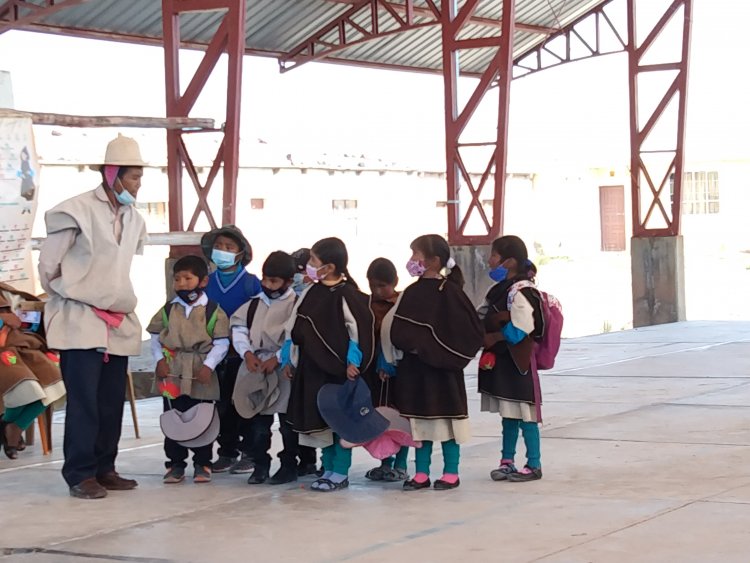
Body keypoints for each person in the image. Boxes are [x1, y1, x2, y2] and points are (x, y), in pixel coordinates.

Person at [38, 133, 147, 499]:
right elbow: (49, 267)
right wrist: (74, 291)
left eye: (140, 177)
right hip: (79, 317)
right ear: (112, 173)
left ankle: (105, 467)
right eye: (133, 176)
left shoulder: (134, 219)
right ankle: (80, 473)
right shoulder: (75, 210)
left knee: (110, 399)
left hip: (116, 320)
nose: (138, 183)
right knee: (84, 401)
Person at [381, 234, 482, 491]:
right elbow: (398, 328)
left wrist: (433, 349)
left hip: (444, 372)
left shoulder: (450, 292)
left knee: (448, 426)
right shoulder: (412, 291)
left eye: (416, 254)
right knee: (420, 426)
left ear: (434, 260)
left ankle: (451, 472)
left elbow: (467, 332)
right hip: (415, 371)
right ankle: (421, 473)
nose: (412, 260)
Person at [282, 237, 374, 492]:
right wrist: (288, 357)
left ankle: (340, 471)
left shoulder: (347, 295)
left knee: (338, 424)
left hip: (337, 373)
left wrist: (353, 361)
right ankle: (328, 468)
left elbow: (357, 332)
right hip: (311, 369)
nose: (309, 266)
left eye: (313, 260)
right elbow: (293, 327)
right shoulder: (311, 292)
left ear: (330, 267)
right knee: (320, 422)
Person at [147, 255, 230, 484]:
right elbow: (155, 338)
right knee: (173, 415)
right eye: (177, 279)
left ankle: (203, 463)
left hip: (200, 371)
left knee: (201, 417)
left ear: (202, 281)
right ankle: (175, 464)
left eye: (187, 278)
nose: (181, 283)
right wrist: (159, 361)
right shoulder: (168, 310)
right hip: (172, 370)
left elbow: (222, 342)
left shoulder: (213, 311)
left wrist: (208, 366)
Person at [232, 251, 308, 485]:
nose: (267, 285)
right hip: (255, 367)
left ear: (288, 281)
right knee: (257, 423)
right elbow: (238, 328)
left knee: (287, 424)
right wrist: (246, 353)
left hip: (284, 368)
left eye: (274, 281)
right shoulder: (253, 304)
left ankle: (288, 465)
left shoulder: (296, 305)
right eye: (265, 279)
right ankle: (260, 464)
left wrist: (278, 357)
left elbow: (296, 337)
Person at [478, 235, 544, 482]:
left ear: (510, 261)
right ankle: (507, 461)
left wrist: (494, 338)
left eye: (494, 255)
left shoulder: (521, 291)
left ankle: (534, 464)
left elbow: (522, 327)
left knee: (526, 414)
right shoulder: (498, 290)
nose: (490, 260)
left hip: (520, 362)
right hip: (506, 362)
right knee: (509, 413)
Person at [200, 226, 261, 474]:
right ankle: (227, 452)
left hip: (243, 356)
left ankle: (250, 453)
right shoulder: (206, 282)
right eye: (219, 246)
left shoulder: (251, 283)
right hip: (215, 356)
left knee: (245, 405)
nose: (223, 251)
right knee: (220, 405)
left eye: (229, 247)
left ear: (240, 253)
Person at [0, 283, 65, 459]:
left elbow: (29, 320)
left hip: (27, 348)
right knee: (24, 387)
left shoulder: (7, 290)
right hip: (5, 352)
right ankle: (10, 429)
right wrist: (4, 320)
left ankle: (12, 426)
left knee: (55, 386)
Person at [361, 258, 409, 483]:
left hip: (398, 372)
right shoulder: (366, 306)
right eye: (373, 286)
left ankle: (401, 464)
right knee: (381, 417)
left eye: (383, 286)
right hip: (373, 374)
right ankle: (385, 463)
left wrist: (388, 360)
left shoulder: (404, 304)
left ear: (395, 282)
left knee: (400, 418)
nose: (378, 291)